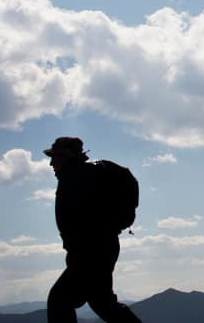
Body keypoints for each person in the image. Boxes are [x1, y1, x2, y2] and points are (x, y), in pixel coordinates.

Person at [44, 137, 142, 323]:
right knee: (102, 303)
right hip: (100, 248)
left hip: (90, 252)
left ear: (65, 156)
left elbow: (81, 222)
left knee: (60, 300)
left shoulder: (77, 177)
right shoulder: (83, 175)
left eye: (54, 157)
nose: (51, 163)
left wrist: (77, 252)